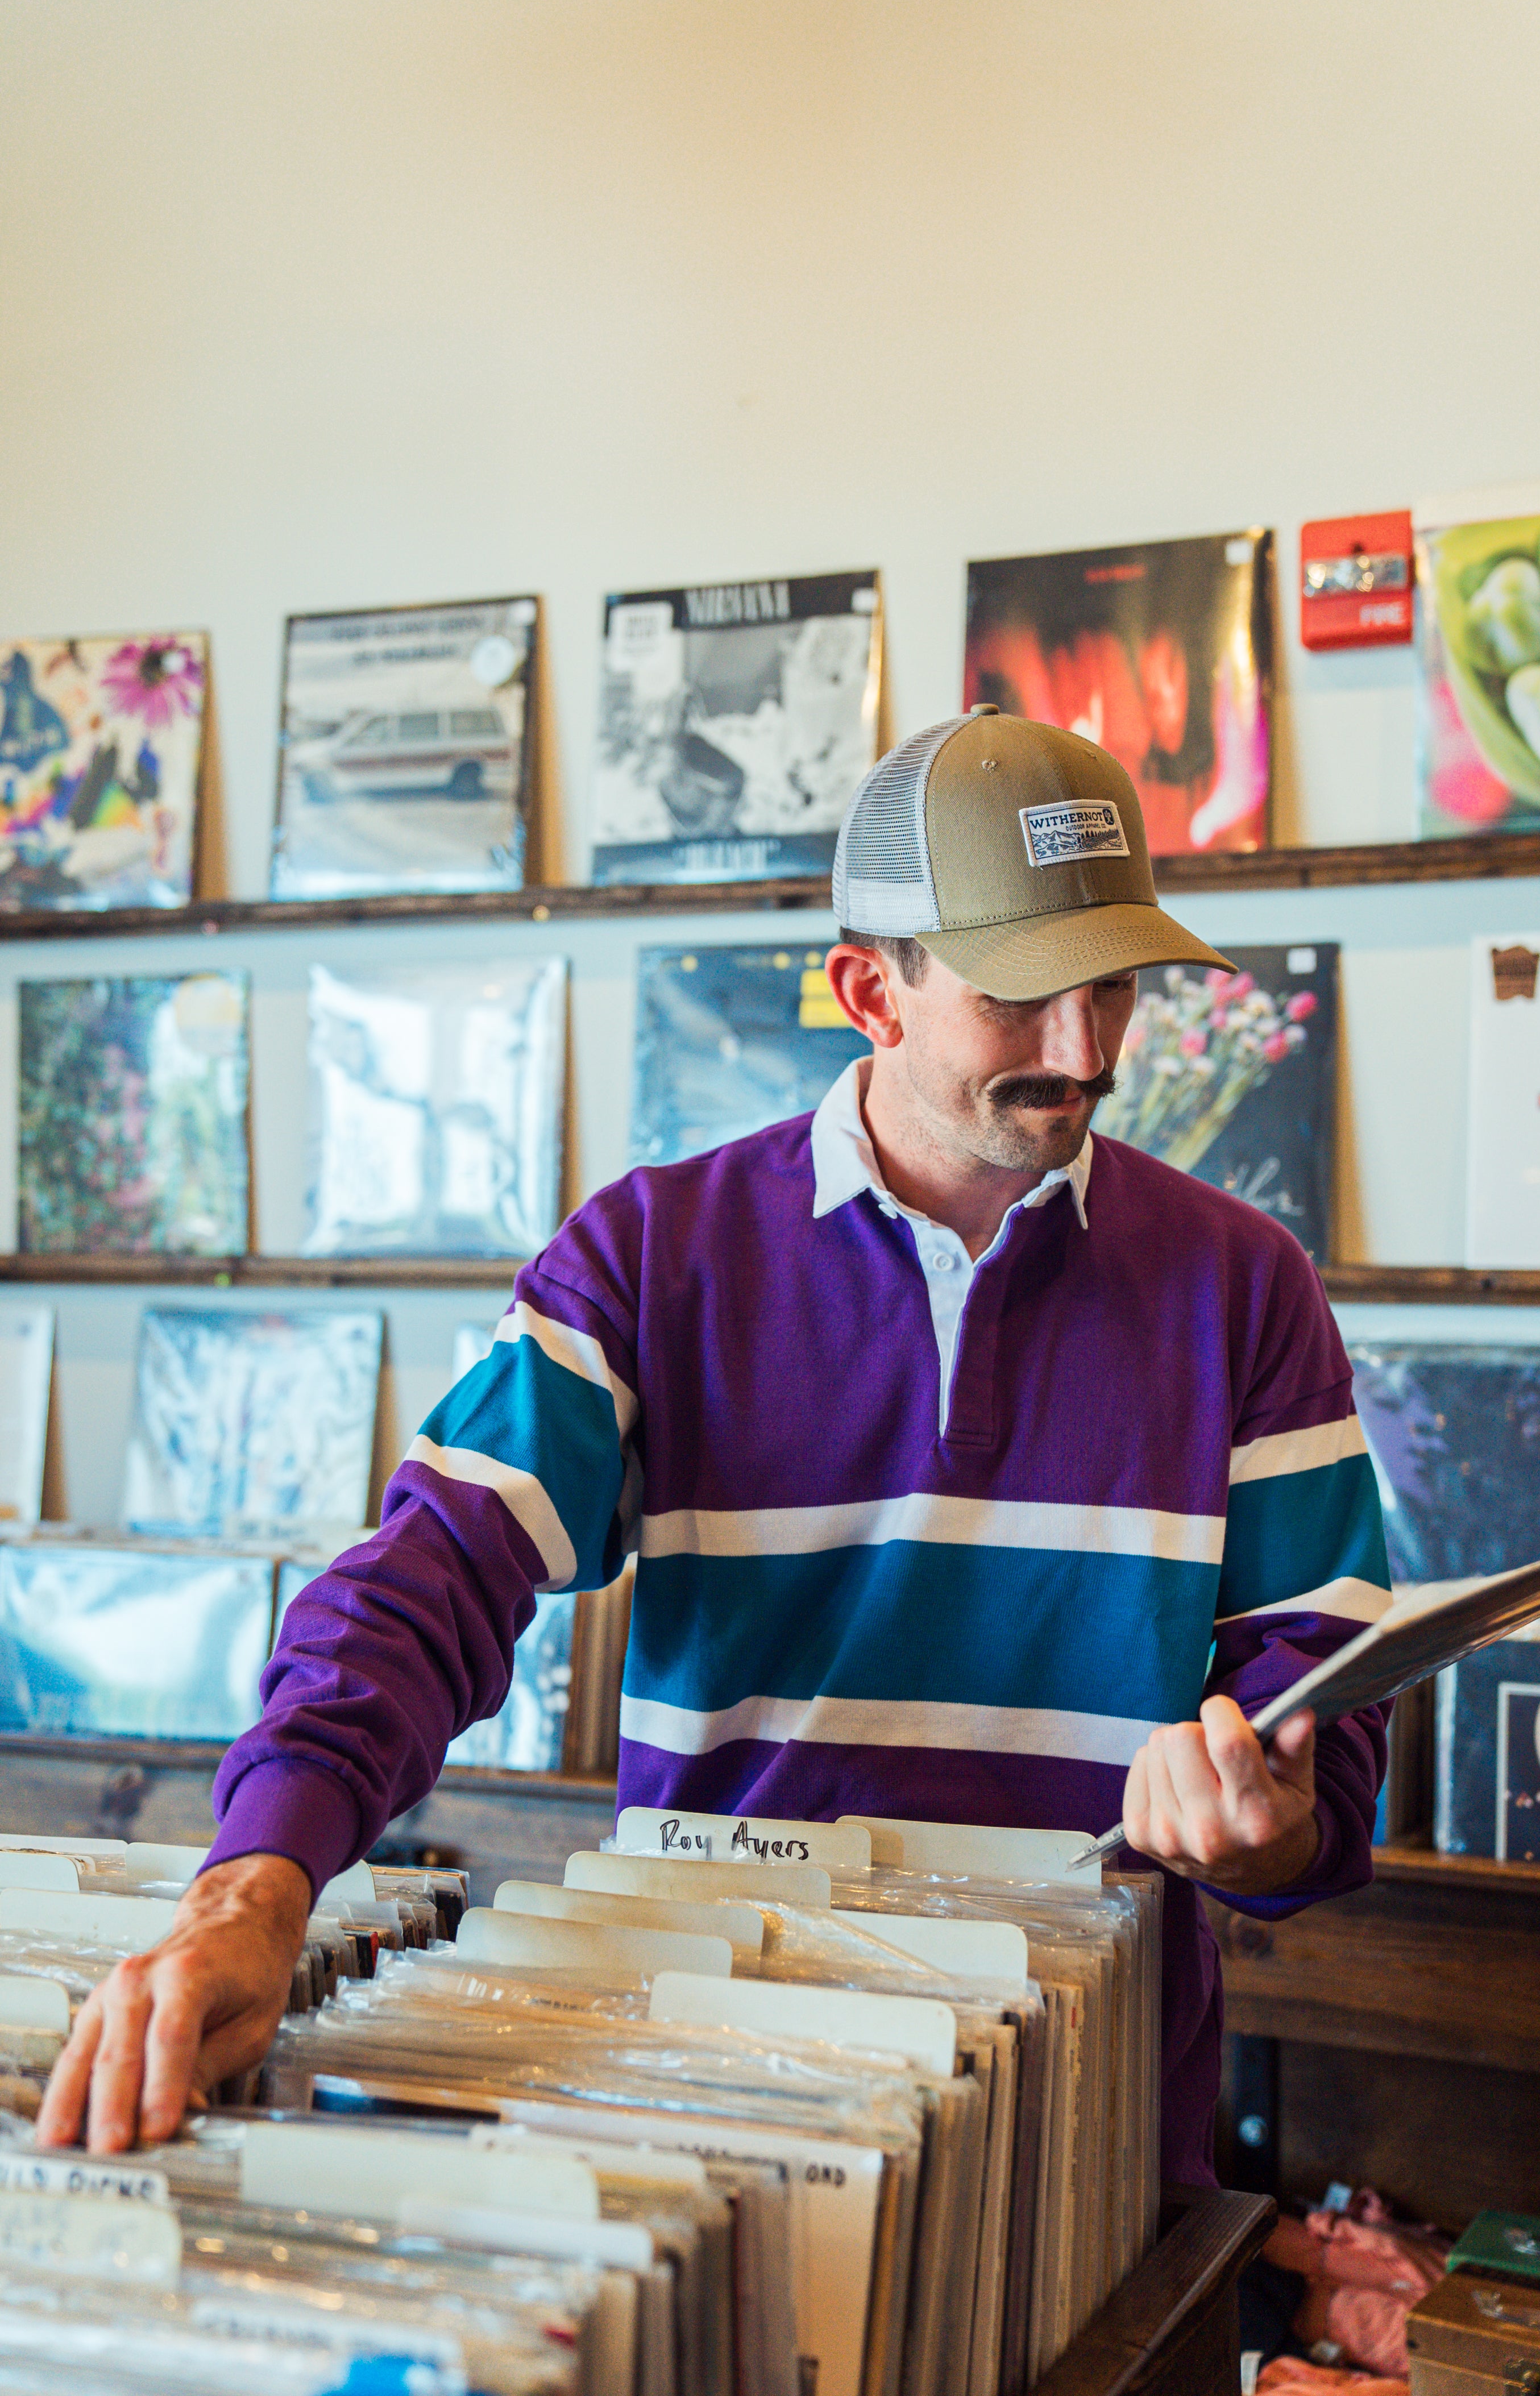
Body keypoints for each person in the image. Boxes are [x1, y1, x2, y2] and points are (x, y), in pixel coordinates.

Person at [39, 707, 1391, 2171]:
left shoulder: (1247, 1286)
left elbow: (1326, 1727)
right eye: (1022, 993)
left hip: (1100, 2113)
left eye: (1113, 985)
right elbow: (432, 1577)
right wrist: (257, 1886)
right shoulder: (646, 1258)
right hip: (712, 2088)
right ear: (870, 990)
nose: (1084, 1048)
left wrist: (1271, 1830)